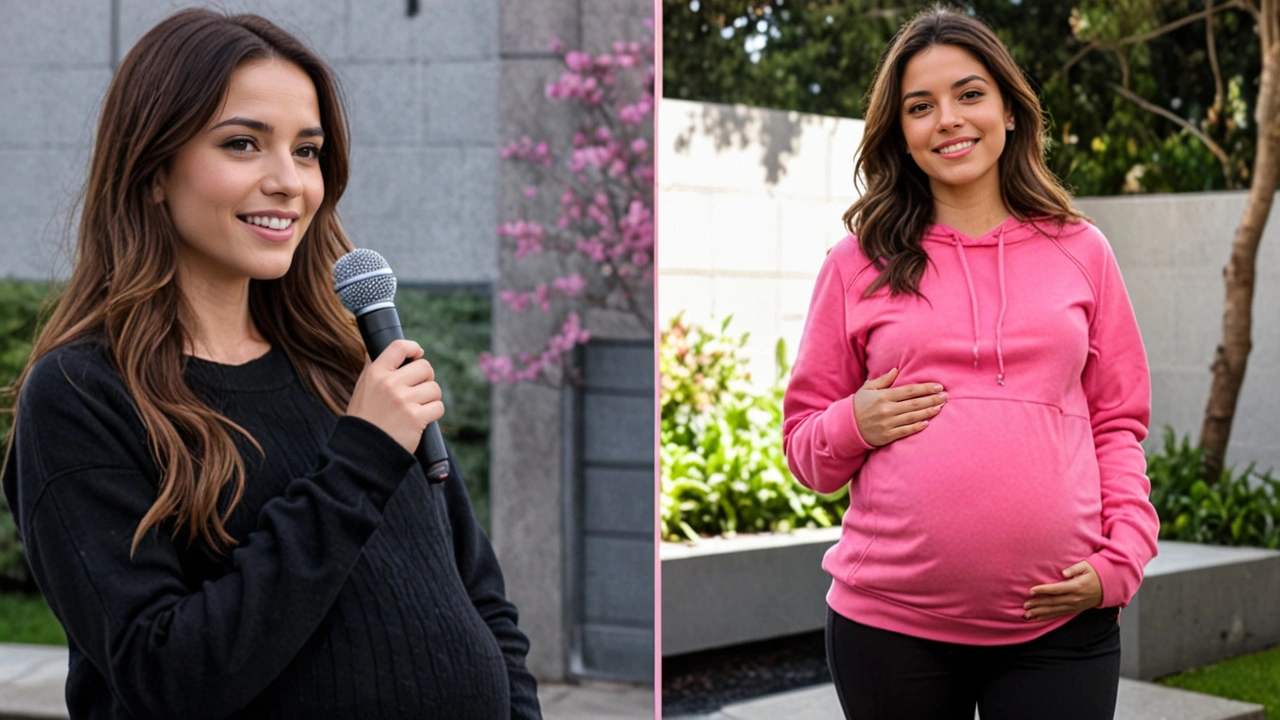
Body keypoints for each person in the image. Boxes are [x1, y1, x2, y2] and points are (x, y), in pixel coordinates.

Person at [1, 9, 540, 720]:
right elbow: (165, 675)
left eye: (308, 151)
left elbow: (481, 600)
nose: (289, 182)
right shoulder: (82, 395)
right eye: (243, 143)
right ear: (154, 169)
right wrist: (360, 461)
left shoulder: (351, 365)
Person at [782, 6, 1159, 720]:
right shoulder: (855, 263)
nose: (948, 119)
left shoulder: (1082, 251)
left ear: (1010, 110)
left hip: (1060, 629)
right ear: (900, 132)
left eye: (969, 94)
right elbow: (807, 452)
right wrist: (853, 422)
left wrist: (1122, 560)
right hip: (889, 631)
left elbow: (1118, 424)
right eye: (920, 107)